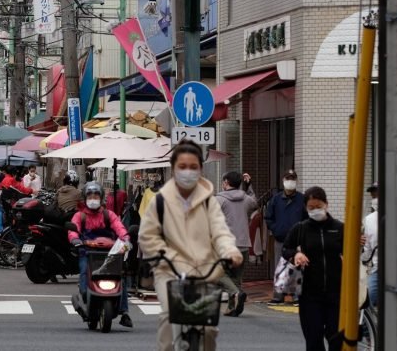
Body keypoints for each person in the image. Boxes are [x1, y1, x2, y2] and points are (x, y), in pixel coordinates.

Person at [138, 141, 243, 351]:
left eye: (193, 167)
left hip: (203, 269)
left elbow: (220, 231)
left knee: (210, 329)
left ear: (201, 169)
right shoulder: (159, 201)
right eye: (182, 167)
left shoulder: (209, 202)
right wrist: (162, 255)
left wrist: (230, 251)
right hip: (170, 270)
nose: (188, 172)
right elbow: (147, 235)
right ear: (173, 168)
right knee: (169, 317)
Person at [282, 186, 344, 351]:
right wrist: (295, 254)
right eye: (311, 208)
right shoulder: (301, 228)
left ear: (326, 204)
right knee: (313, 340)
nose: (315, 210)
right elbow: (285, 248)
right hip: (309, 294)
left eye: (319, 207)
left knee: (337, 339)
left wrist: (357, 245)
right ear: (305, 208)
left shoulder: (339, 228)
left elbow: (351, 254)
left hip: (336, 294)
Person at [68, 182, 133, 328]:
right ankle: (84, 299)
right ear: (85, 198)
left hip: (109, 254)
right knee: (85, 273)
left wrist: (126, 239)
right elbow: (73, 230)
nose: (93, 198)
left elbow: (120, 228)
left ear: (101, 197)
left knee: (119, 277)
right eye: (90, 195)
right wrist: (75, 239)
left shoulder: (109, 215)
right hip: (88, 253)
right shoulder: (80, 216)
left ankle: (124, 312)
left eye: (96, 195)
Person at [216, 171, 258, 317]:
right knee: (236, 277)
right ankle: (232, 308)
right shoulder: (246, 198)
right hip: (243, 245)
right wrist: (248, 186)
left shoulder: (219, 200)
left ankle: (235, 293)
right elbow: (254, 202)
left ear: (226, 182)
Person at [265, 169, 307, 303]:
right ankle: (278, 295)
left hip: (297, 241)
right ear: (283, 181)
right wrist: (276, 229)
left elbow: (307, 218)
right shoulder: (276, 199)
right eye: (288, 179)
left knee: (296, 267)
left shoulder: (302, 199)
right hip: (280, 238)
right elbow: (268, 217)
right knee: (279, 267)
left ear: (296, 181)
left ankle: (295, 295)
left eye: (293, 179)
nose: (290, 182)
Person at [363, 183, 379, 308]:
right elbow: (367, 247)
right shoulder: (368, 220)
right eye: (373, 195)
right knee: (367, 300)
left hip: (396, 270)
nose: (375, 198)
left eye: (378, 194)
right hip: (376, 268)